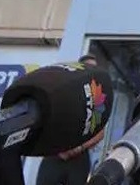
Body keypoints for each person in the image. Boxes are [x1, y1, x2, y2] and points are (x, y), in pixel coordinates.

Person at [35, 55, 108, 185]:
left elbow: (100, 132)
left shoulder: (98, 96)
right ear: (79, 68)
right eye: (88, 67)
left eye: (94, 68)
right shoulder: (64, 86)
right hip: (54, 154)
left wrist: (78, 148)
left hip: (79, 159)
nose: (92, 71)